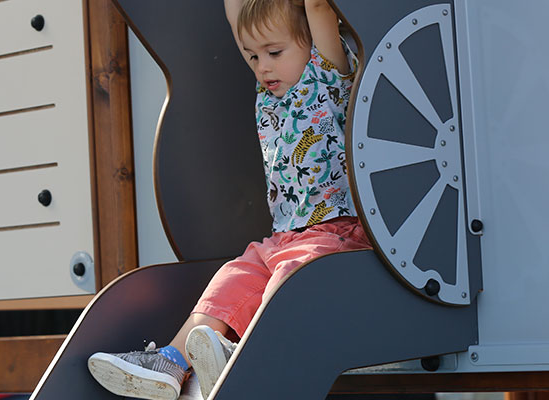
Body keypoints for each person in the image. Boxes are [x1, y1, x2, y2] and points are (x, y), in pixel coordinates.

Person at [87, 0, 369, 398]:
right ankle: (172, 360)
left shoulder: (326, 73)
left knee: (291, 280)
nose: (262, 65)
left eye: (274, 52)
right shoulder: (269, 89)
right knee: (233, 277)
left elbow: (319, 6)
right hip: (284, 237)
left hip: (334, 234)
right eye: (253, 56)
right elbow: (236, 15)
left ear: (310, 44)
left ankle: (245, 352)